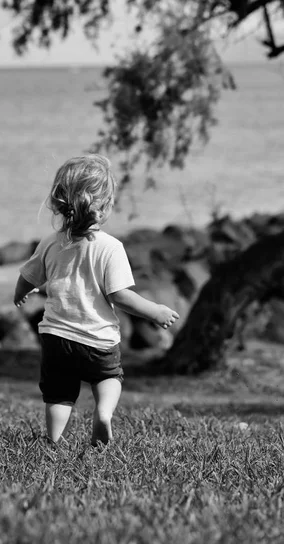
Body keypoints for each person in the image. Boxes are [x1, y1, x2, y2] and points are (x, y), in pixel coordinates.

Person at [14, 154, 179, 446]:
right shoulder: (111, 248)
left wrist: (20, 294)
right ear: (104, 207)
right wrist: (155, 312)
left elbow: (28, 275)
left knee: (59, 394)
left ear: (60, 203)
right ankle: (103, 413)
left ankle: (54, 439)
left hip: (56, 337)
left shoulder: (50, 243)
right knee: (108, 379)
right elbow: (121, 295)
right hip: (98, 338)